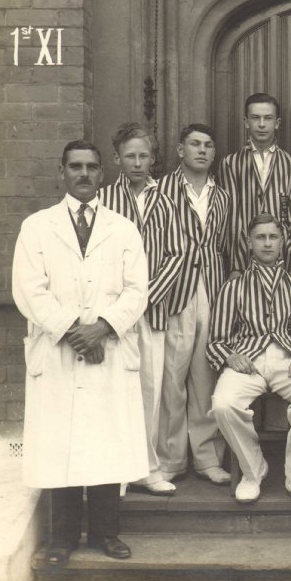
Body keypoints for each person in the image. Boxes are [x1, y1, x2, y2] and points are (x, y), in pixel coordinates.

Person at [12, 140, 149, 565]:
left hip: (107, 347)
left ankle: (107, 534)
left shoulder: (123, 228)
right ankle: (61, 539)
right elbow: (29, 290)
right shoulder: (37, 226)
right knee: (60, 443)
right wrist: (75, 331)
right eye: (76, 167)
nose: (84, 174)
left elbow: (135, 289)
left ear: (103, 174)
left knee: (107, 441)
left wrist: (103, 328)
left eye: (92, 167)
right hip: (59, 351)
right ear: (62, 172)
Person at [207, 213, 291, 508]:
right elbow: (216, 341)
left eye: (273, 237)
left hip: (289, 359)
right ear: (249, 243)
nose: (267, 243)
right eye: (260, 237)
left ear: (283, 241)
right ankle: (253, 470)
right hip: (247, 360)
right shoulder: (233, 287)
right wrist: (230, 356)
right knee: (223, 403)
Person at [99, 123, 186, 496]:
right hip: (110, 314)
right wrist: (118, 305)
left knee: (151, 389)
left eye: (144, 156)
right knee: (114, 389)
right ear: (117, 158)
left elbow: (178, 254)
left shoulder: (165, 202)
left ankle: (147, 469)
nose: (137, 163)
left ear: (154, 159)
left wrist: (143, 298)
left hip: (151, 313)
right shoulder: (102, 200)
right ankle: (113, 471)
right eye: (130, 156)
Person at [157, 123, 231, 485]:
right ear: (180, 150)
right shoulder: (162, 190)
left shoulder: (222, 194)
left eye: (208, 145)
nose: (202, 150)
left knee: (206, 375)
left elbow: (225, 245)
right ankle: (170, 460)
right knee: (173, 375)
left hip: (213, 289)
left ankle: (207, 457)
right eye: (194, 144)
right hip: (176, 290)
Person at [218, 93, 291, 276]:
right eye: (256, 118)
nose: (262, 124)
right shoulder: (231, 163)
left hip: (283, 261)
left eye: (268, 118)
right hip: (245, 262)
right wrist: (237, 265)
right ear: (246, 122)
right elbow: (233, 219)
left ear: (277, 123)